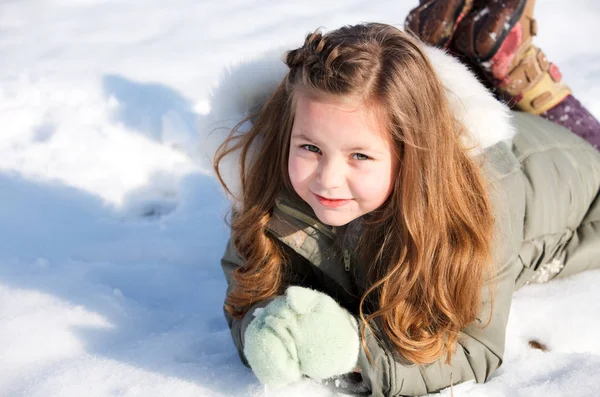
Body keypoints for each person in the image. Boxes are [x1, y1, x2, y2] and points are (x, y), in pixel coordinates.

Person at [206, 2, 600, 396]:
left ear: (411, 155)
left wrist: (355, 354)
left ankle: (516, 82)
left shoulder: (478, 206)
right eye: (310, 147)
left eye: (359, 156)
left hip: (578, 185)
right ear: (288, 131)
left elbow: (473, 344)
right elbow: (249, 292)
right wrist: (267, 333)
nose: (327, 180)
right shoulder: (269, 179)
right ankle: (464, 60)